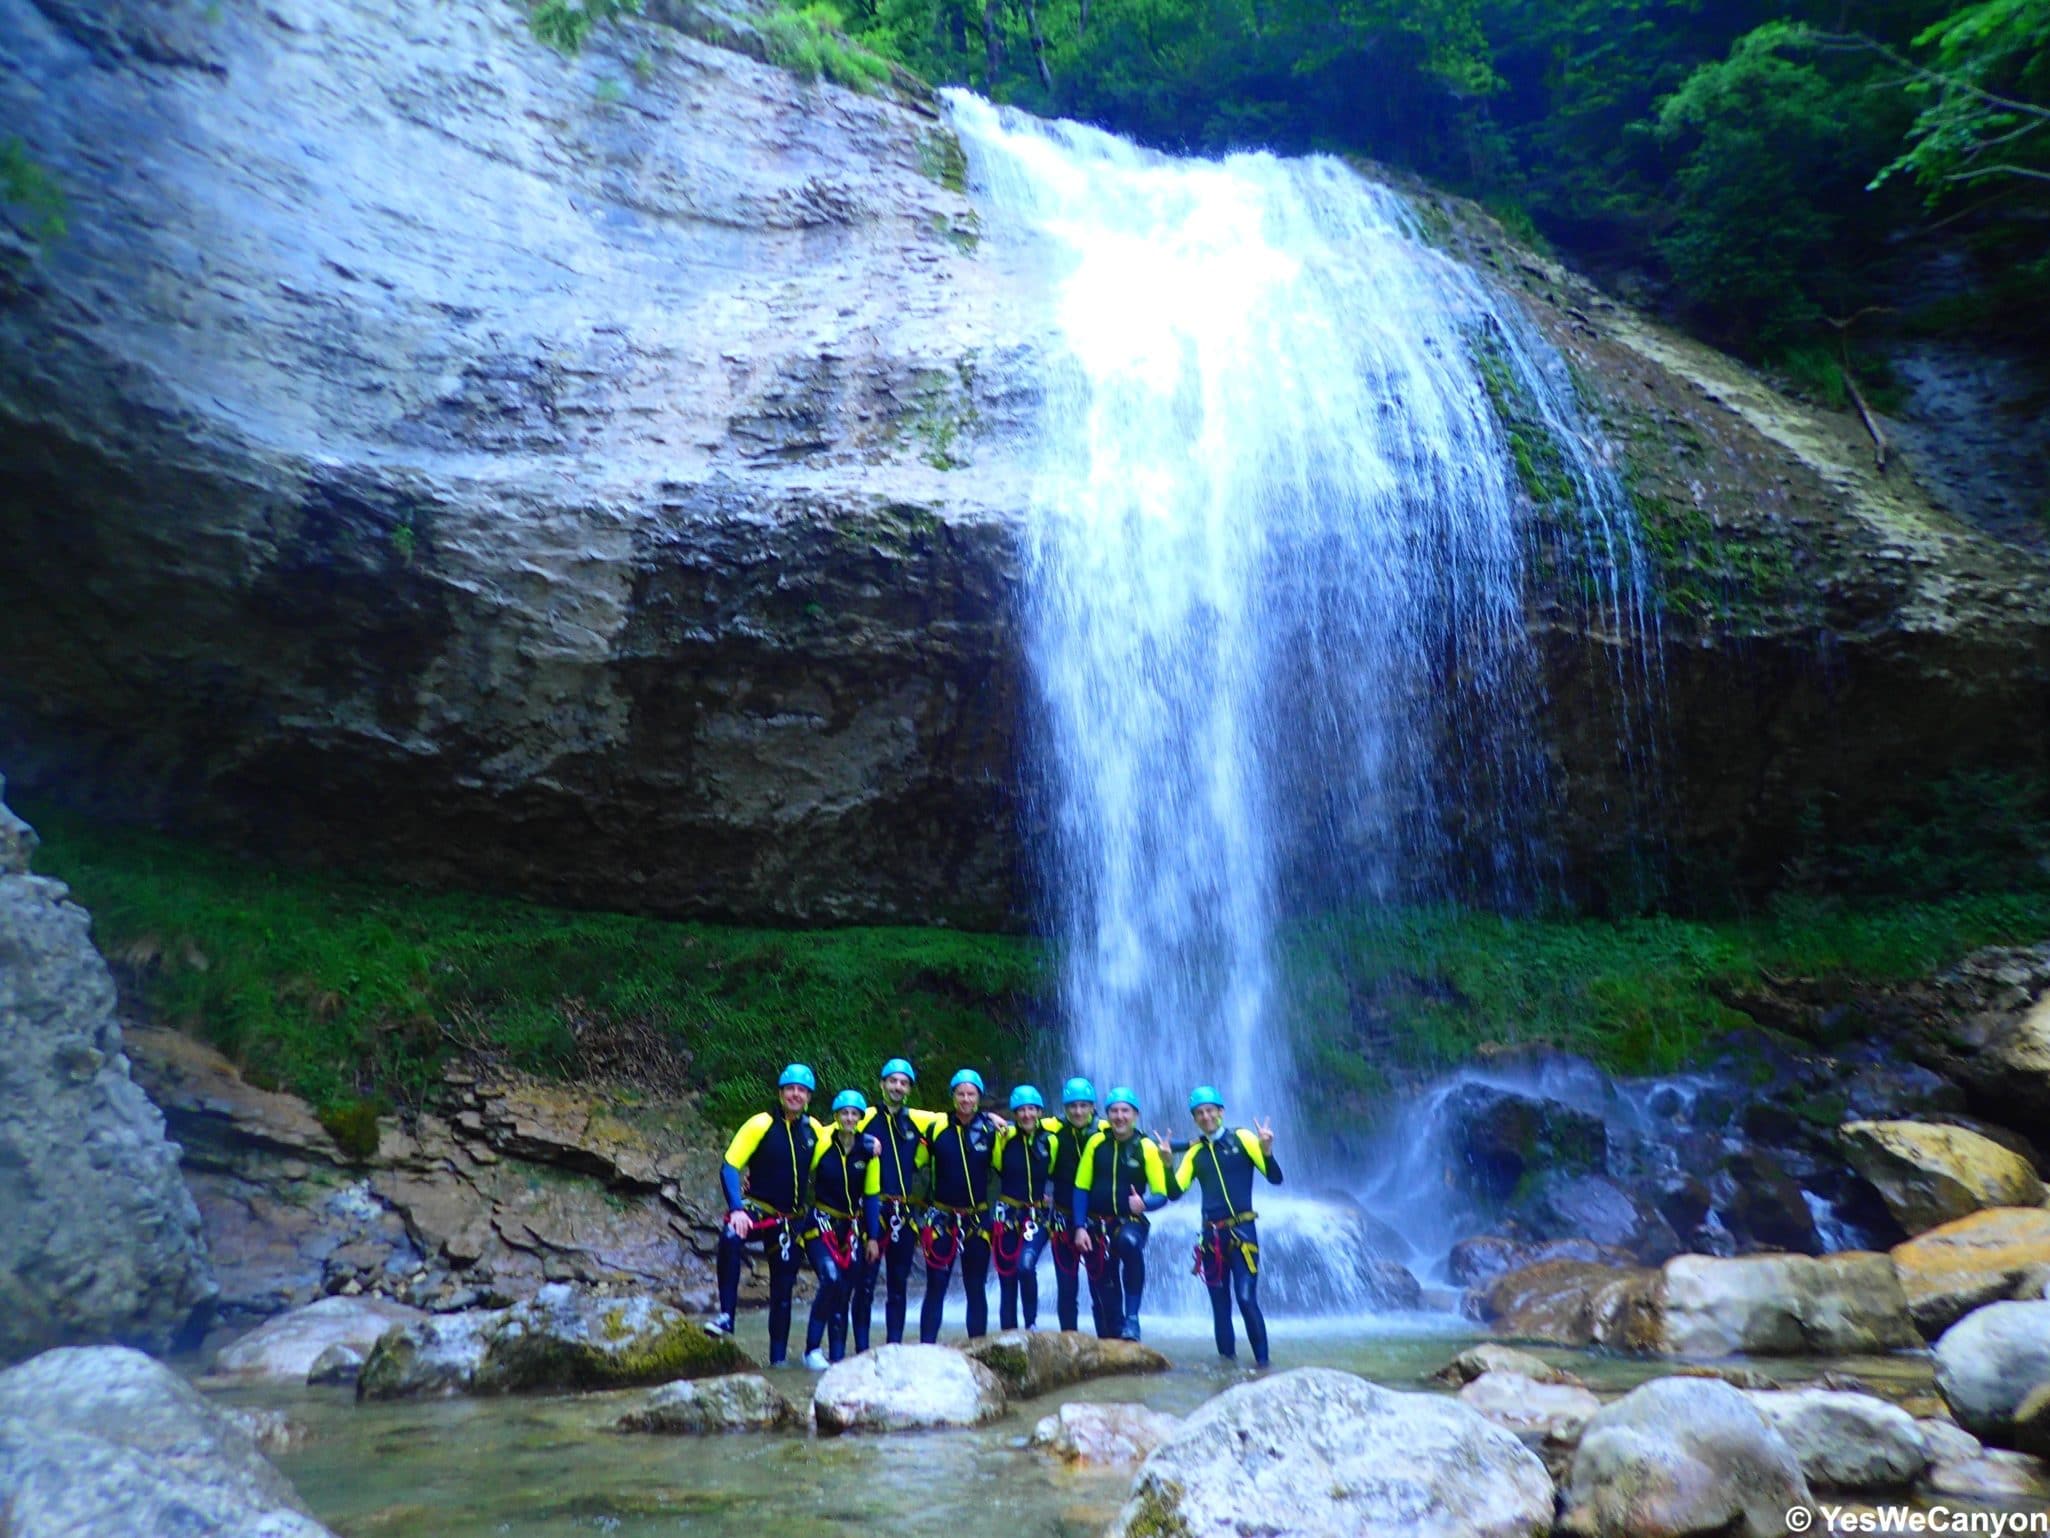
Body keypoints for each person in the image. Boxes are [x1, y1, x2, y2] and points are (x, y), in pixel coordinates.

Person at [707, 1063, 839, 1367]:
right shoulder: (761, 1124)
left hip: (790, 1221)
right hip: (757, 1210)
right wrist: (737, 1209)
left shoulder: (814, 1131)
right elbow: (730, 1165)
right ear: (780, 1093)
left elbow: (845, 1137)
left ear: (808, 1097)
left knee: (782, 1293)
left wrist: (868, 1143)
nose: (795, 1094)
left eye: (802, 1091)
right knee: (730, 1236)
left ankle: (778, 1363)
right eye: (790, 1089)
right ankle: (727, 1316)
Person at [1168, 1086, 1281, 1369]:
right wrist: (1168, 1165)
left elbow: (1275, 1178)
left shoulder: (1242, 1138)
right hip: (1211, 1238)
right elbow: (1174, 1192)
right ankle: (1227, 1369)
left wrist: (1266, 1151)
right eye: (1199, 1113)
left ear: (1221, 1112)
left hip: (1242, 1233)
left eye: (1210, 1111)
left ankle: (1263, 1366)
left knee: (1245, 1298)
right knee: (1220, 1308)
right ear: (1194, 1118)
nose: (1206, 1117)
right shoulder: (1195, 1154)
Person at [854, 1057, 948, 1345]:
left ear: (909, 1089)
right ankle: (861, 1348)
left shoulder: (916, 1119)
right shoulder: (864, 1116)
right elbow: (828, 1138)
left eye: (903, 1082)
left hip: (903, 1214)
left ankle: (894, 1344)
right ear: (882, 1084)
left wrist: (992, 1119)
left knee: (898, 1283)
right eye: (892, 1081)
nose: (897, 1086)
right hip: (871, 1211)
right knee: (865, 1284)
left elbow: (953, 1117)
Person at [1071, 1087, 1170, 1341]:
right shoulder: (1097, 1142)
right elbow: (1081, 1187)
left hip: (1130, 1223)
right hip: (1097, 1225)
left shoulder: (1145, 1147)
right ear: (1106, 1114)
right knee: (1104, 1294)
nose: (1119, 1116)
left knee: (1128, 1243)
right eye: (1114, 1111)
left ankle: (1133, 1318)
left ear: (1135, 1115)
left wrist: (1144, 1204)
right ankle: (1109, 1339)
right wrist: (1080, 1226)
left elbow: (1161, 1193)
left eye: (1125, 1111)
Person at [919, 1067, 1001, 1342]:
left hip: (977, 1219)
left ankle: (977, 1348)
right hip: (942, 1217)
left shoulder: (991, 1130)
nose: (966, 1099)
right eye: (960, 1093)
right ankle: (926, 1347)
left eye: (971, 1094)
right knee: (936, 1285)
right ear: (953, 1096)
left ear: (979, 1097)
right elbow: (914, 1161)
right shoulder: (936, 1128)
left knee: (975, 1286)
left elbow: (1008, 1164)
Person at [802, 1088, 883, 1368]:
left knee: (844, 1293)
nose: (849, 1118)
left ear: (861, 1118)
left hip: (851, 1229)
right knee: (831, 1279)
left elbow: (872, 1195)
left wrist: (873, 1236)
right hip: (820, 1224)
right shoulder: (823, 1142)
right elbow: (798, 1170)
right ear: (836, 1116)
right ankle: (812, 1349)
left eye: (854, 1114)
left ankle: (837, 1358)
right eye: (844, 1113)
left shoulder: (869, 1150)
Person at [991, 1085, 1055, 1330]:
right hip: (1007, 1214)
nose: (1027, 1115)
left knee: (1026, 1266)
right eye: (1021, 1110)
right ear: (1014, 1114)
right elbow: (995, 1165)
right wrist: (990, 1117)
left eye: (1031, 1109)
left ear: (1039, 1111)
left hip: (1037, 1216)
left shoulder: (1050, 1139)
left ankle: (1031, 1325)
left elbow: (1063, 1174)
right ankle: (1008, 1330)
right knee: (1006, 1276)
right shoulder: (1003, 1138)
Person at [1047, 1077, 1105, 1332]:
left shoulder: (1107, 1129)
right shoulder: (1054, 1127)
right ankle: (1068, 1341)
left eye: (1084, 1105)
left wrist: (1189, 1144)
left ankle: (1109, 1345)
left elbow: (1142, 1140)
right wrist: (994, 1120)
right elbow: (1021, 1123)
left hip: (1097, 1219)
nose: (1078, 1111)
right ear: (1065, 1108)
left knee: (1101, 1284)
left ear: (1093, 1107)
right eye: (1072, 1106)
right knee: (1067, 1287)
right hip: (1063, 1217)